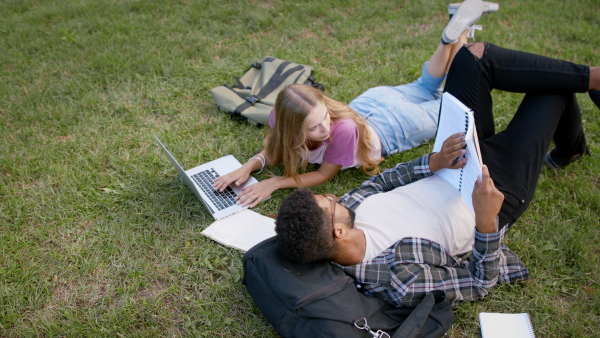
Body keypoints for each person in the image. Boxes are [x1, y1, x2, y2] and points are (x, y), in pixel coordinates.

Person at [274, 39, 600, 307]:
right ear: (338, 233)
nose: (333, 195)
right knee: (552, 90)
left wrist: (435, 161)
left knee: (472, 58)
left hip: (453, 160)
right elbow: (477, 282)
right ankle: (571, 148)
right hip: (491, 191)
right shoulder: (398, 279)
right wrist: (487, 222)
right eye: (328, 202)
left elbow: (385, 179)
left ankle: (592, 82)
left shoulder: (346, 211)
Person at [213, 0, 499, 208]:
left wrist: (275, 182)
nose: (325, 129)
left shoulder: (342, 130)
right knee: (424, 86)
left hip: (396, 127)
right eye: (314, 128)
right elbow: (275, 147)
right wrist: (250, 166)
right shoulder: (282, 116)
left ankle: (460, 35)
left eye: (325, 118)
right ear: (290, 125)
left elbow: (324, 174)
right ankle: (450, 31)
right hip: (373, 101)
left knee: (454, 100)